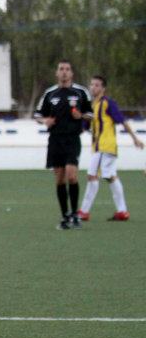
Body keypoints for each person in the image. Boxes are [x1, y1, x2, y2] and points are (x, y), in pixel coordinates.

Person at [34, 59, 92, 230]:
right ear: (57, 73)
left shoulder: (81, 92)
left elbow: (91, 114)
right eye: (61, 69)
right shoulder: (50, 93)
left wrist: (80, 115)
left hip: (72, 139)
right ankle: (65, 215)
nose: (64, 72)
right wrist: (45, 120)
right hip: (55, 140)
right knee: (59, 179)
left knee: (72, 176)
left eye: (67, 69)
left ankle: (75, 214)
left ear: (72, 73)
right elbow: (37, 115)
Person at [78, 75, 143, 221]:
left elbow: (122, 121)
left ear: (103, 88)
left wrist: (135, 139)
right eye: (92, 84)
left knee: (92, 176)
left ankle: (83, 212)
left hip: (104, 146)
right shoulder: (91, 105)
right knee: (110, 177)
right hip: (101, 148)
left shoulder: (107, 103)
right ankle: (122, 211)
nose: (93, 87)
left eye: (97, 85)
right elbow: (85, 126)